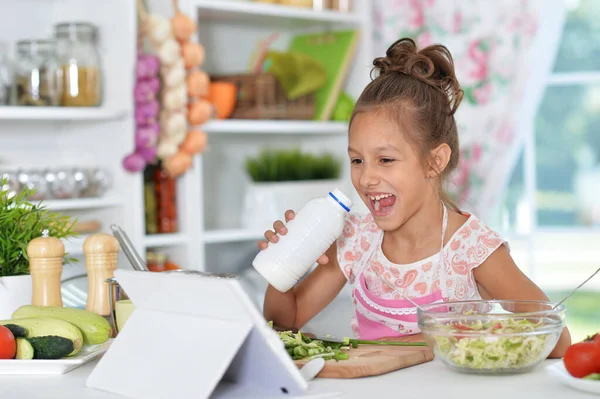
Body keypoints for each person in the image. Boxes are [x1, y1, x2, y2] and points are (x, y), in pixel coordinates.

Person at [257, 38, 571, 358]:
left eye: (386, 160)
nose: (366, 178)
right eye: (357, 160)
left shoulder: (472, 249)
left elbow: (558, 341)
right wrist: (284, 268)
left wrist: (475, 331)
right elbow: (285, 321)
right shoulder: (356, 239)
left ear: (434, 161)